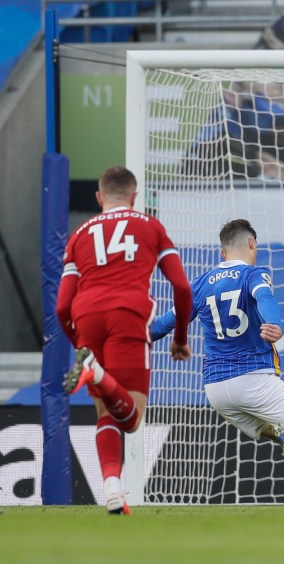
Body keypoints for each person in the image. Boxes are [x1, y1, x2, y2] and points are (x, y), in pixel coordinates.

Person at [149, 219, 284, 509]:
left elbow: (164, 324)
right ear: (252, 243)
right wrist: (274, 324)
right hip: (253, 380)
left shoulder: (200, 285)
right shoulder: (254, 274)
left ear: (221, 253)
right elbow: (264, 297)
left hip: (216, 391)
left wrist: (132, 339)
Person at [56, 166, 193, 515]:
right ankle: (96, 372)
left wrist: (80, 345)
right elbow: (181, 286)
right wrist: (179, 339)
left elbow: (61, 307)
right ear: (135, 197)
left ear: (99, 198)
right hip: (127, 314)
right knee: (132, 420)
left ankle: (113, 491)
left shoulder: (80, 233)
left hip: (85, 316)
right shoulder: (150, 226)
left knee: (107, 413)